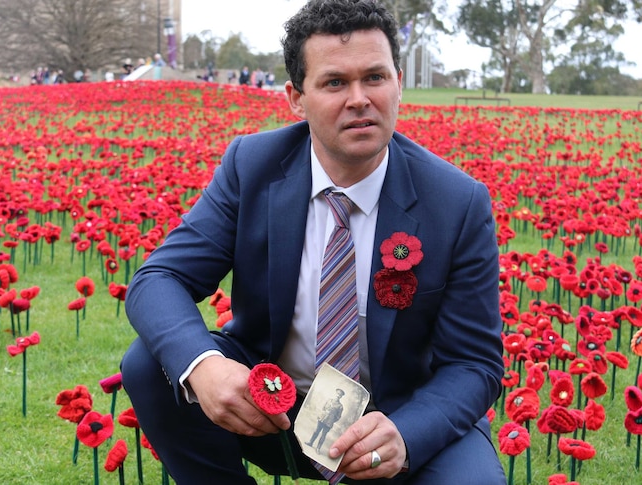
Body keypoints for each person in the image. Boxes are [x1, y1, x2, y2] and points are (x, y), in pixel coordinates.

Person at [121, 0, 505, 484]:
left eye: (375, 77)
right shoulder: (253, 166)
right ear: (295, 98)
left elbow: (474, 363)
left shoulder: (456, 202)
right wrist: (206, 367)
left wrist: (405, 435)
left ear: (399, 82)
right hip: (273, 404)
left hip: (397, 415)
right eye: (335, 83)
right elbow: (159, 277)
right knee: (153, 363)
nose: (360, 98)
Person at [306, 389, 345, 454]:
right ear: (335, 394)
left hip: (329, 422)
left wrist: (332, 419)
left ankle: (318, 448)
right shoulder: (329, 400)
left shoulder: (340, 406)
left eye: (340, 395)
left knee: (323, 435)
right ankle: (310, 442)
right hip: (322, 418)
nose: (338, 396)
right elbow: (323, 408)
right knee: (316, 431)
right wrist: (324, 414)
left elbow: (338, 417)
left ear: (341, 397)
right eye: (337, 394)